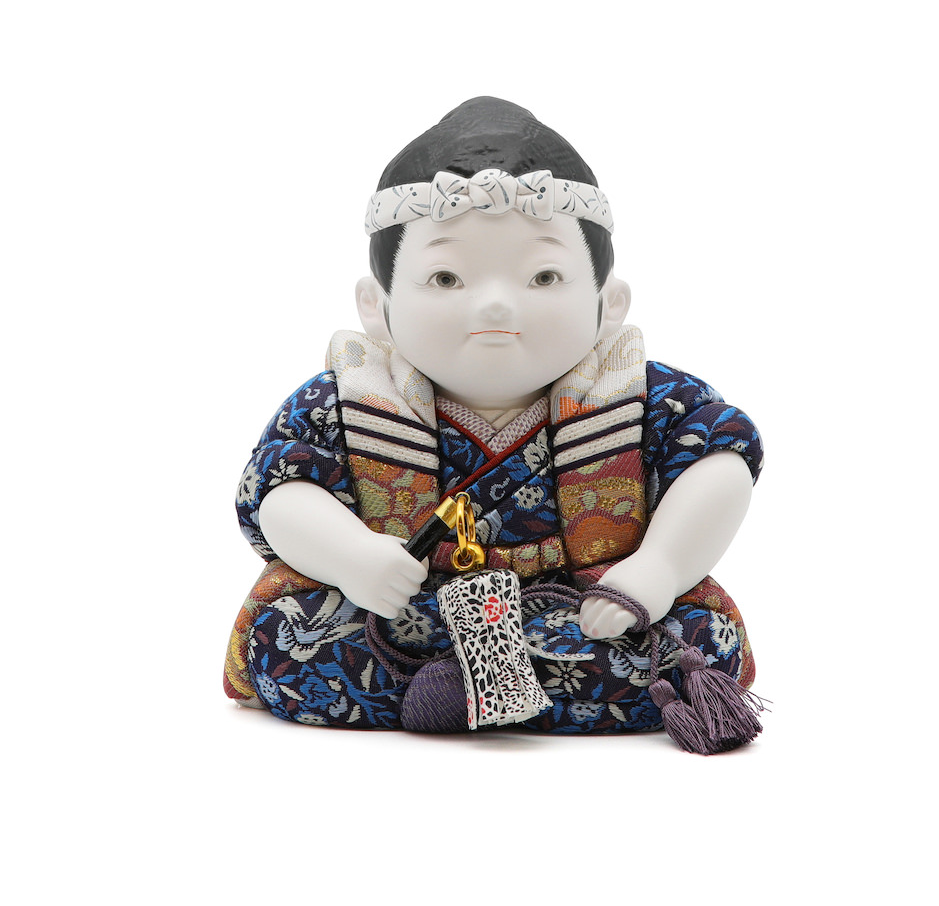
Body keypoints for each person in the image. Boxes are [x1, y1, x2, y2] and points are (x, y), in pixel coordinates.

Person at [224, 97, 763, 744]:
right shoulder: (344, 400)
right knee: (287, 635)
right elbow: (281, 490)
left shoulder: (647, 398)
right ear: (376, 305)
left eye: (544, 276)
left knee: (699, 639)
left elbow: (720, 465)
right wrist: (351, 557)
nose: (497, 304)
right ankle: (493, 692)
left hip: (585, 605)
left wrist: (661, 568)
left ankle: (456, 692)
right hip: (407, 610)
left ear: (609, 303)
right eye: (446, 278)